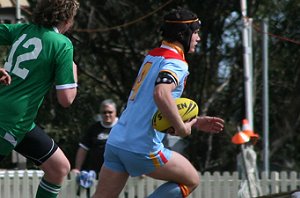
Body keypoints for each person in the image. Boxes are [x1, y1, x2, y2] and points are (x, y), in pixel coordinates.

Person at [92, 8, 224, 198]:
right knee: (191, 180)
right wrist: (182, 128)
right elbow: (161, 94)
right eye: (195, 32)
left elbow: (152, 108)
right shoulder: (177, 63)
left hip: (117, 142)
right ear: (183, 34)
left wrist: (195, 121)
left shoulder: (153, 55)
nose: (198, 38)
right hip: (142, 147)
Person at [0, 0, 79, 197]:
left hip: (21, 122)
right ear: (67, 19)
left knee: (58, 167)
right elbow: (66, 99)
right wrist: (74, 73)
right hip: (8, 120)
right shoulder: (62, 44)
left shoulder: (23, 30)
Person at [72, 99, 118, 175]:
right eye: (104, 112)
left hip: (116, 172)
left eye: (110, 112)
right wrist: (77, 168)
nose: (107, 115)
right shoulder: (94, 128)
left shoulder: (122, 127)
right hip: (94, 172)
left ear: (115, 112)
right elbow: (83, 148)